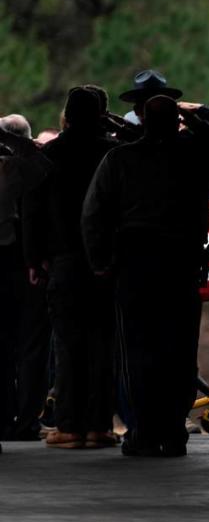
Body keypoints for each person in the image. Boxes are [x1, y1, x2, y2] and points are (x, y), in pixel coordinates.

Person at [83, 95, 209, 457]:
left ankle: (142, 430)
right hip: (181, 264)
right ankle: (172, 431)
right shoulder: (196, 155)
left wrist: (100, 261)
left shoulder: (120, 158)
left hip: (134, 263)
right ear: (176, 123)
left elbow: (94, 214)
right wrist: (198, 114)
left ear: (141, 122)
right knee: (180, 350)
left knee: (137, 350)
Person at [22, 88, 119, 449]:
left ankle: (69, 425)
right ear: (102, 116)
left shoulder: (50, 156)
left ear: (66, 114)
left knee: (67, 345)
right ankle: (99, 426)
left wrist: (34, 259)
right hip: (105, 264)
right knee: (102, 344)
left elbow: (32, 212)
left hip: (62, 261)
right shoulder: (112, 153)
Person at [0, 121, 51, 453]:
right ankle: (26, 419)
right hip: (24, 265)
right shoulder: (19, 168)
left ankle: (5, 418)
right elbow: (44, 168)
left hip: (13, 260)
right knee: (32, 346)